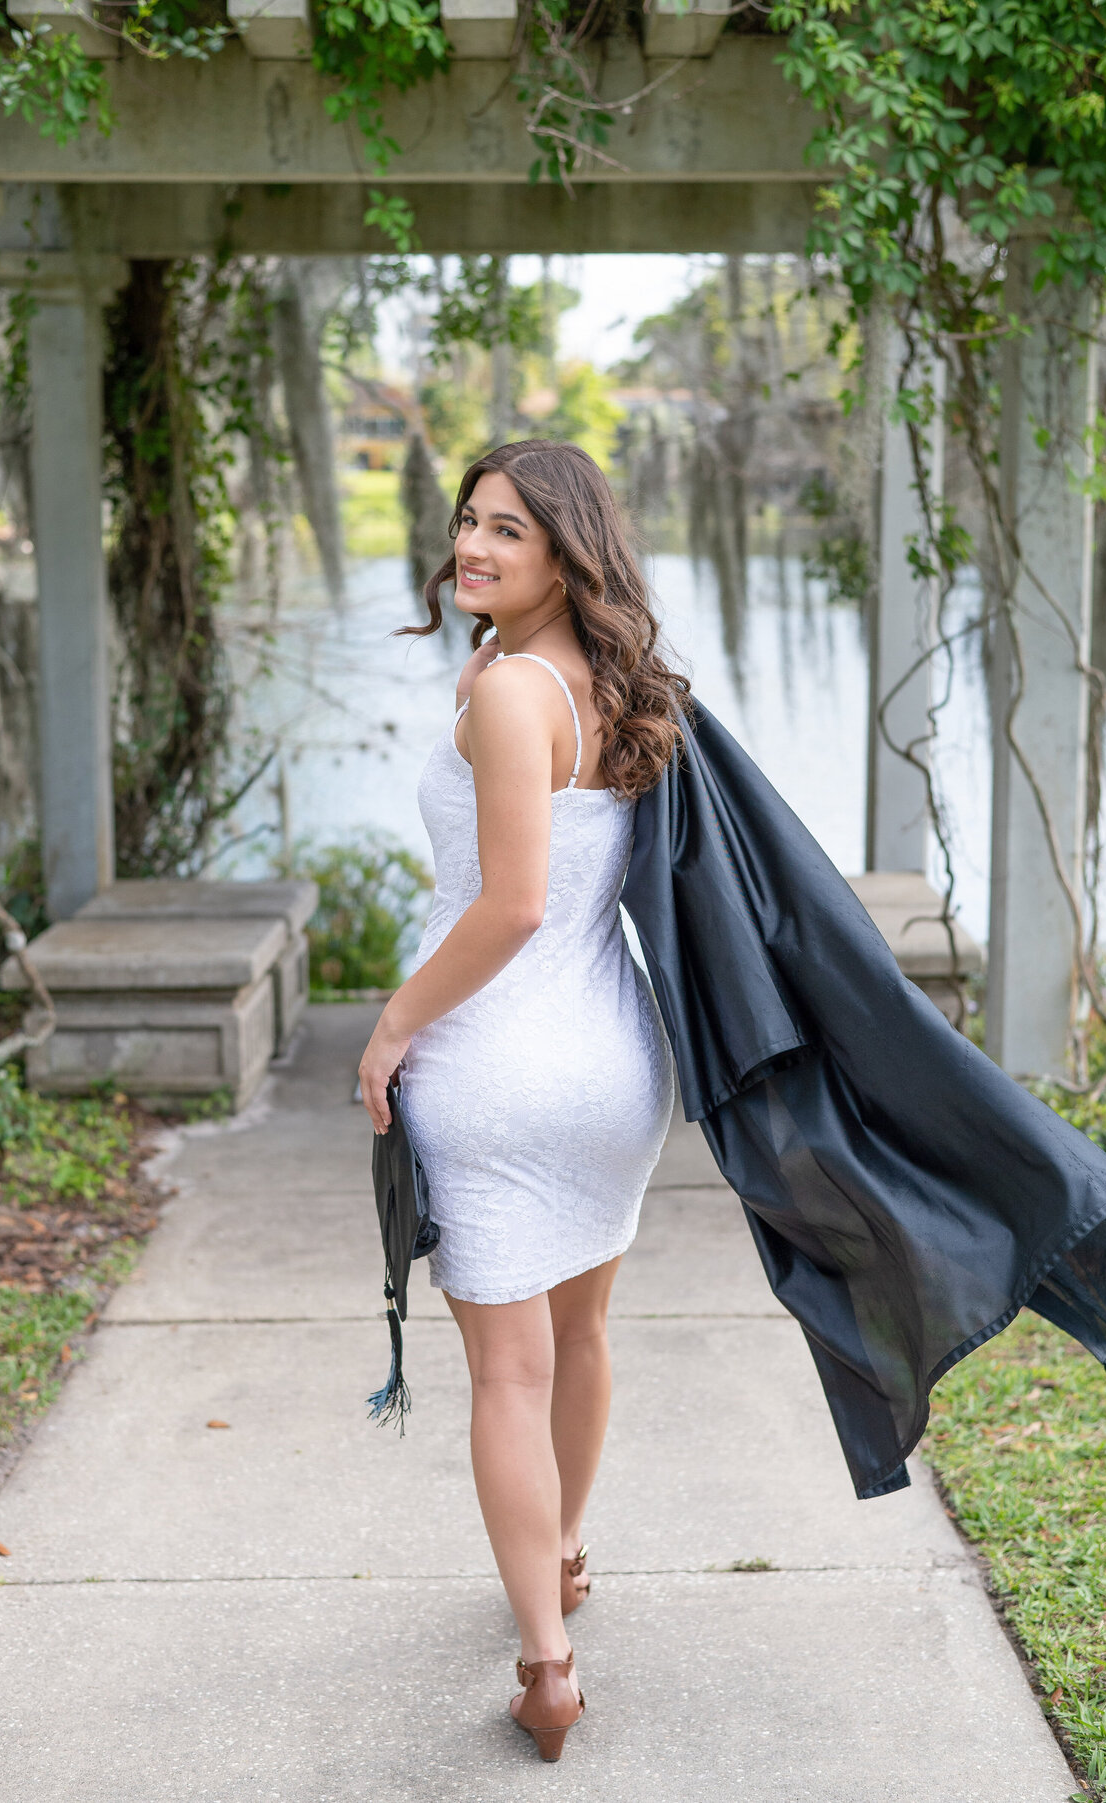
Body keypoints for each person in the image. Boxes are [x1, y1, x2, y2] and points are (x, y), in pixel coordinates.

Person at [357, 439, 686, 1762]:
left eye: (510, 531)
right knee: (582, 1336)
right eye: (468, 524)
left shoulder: (506, 694)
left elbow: (508, 905)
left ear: (569, 552)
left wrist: (391, 1027)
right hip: (612, 1056)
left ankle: (547, 1669)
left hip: (495, 1060)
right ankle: (558, 1564)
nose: (474, 548)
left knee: (507, 1368)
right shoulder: (617, 680)